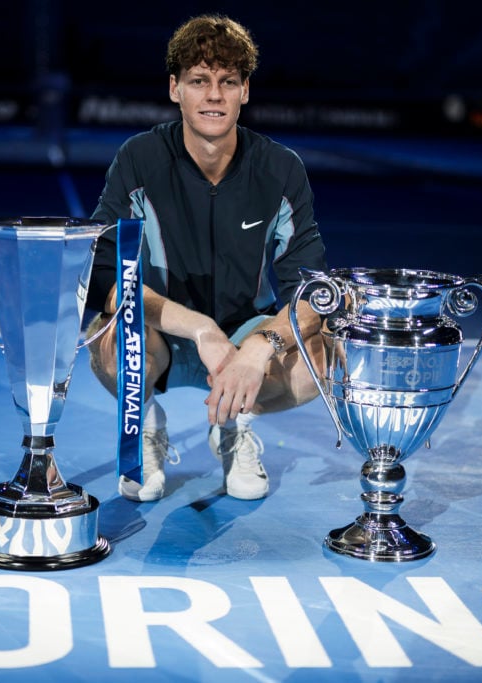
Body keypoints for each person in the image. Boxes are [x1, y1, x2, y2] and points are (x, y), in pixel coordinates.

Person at [86, 14, 327, 502]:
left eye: (227, 82)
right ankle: (144, 422)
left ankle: (234, 422)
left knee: (319, 358)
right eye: (199, 81)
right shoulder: (140, 160)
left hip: (242, 342)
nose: (214, 95)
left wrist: (261, 348)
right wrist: (199, 327)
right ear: (175, 89)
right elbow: (103, 277)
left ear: (244, 92)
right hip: (163, 336)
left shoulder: (280, 170)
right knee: (109, 337)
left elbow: (311, 289)